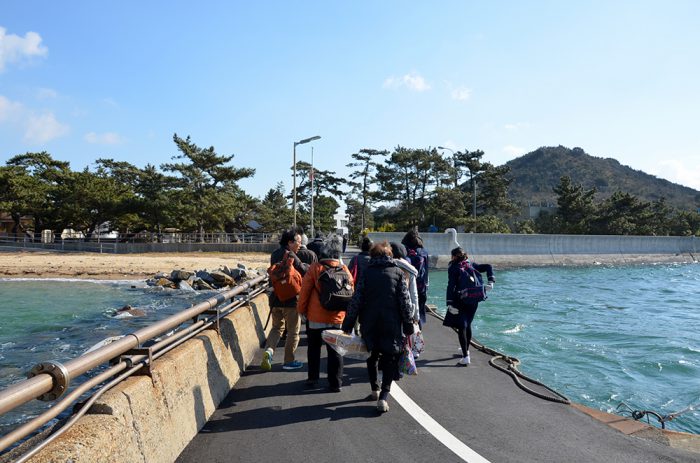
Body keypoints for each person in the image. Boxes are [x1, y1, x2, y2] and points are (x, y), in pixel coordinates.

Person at [342, 241, 413, 413]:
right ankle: (384, 397)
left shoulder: (367, 273)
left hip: (369, 322)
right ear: (390, 255)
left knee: (371, 356)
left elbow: (356, 300)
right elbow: (405, 301)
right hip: (392, 322)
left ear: (373, 256)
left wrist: (349, 322)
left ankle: (375, 390)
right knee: (389, 358)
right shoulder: (398, 273)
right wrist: (408, 322)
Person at [297, 234, 351, 392]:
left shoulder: (315, 268)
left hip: (316, 317)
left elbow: (305, 291)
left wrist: (301, 311)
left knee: (314, 348)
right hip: (337, 317)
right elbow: (350, 292)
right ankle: (335, 383)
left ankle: (313, 379)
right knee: (335, 350)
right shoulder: (344, 269)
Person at [261, 229, 310, 371]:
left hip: (275, 299)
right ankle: (289, 361)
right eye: (298, 242)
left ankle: (269, 351)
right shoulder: (291, 255)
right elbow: (303, 271)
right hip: (291, 300)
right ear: (290, 242)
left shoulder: (274, 253)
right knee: (293, 331)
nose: (300, 245)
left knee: (276, 328)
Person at [443, 247, 495, 367]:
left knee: (462, 327)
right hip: (475, 299)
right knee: (468, 324)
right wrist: (491, 281)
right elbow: (488, 266)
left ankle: (466, 357)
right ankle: (465, 349)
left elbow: (451, 285)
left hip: (461, 299)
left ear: (454, 256)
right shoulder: (470, 264)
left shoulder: (454, 267)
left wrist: (449, 303)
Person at [401, 229, 429, 326]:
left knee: (406, 310)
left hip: (406, 285)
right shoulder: (424, 252)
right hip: (421, 286)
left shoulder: (404, 251)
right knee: (420, 311)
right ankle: (418, 332)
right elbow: (426, 271)